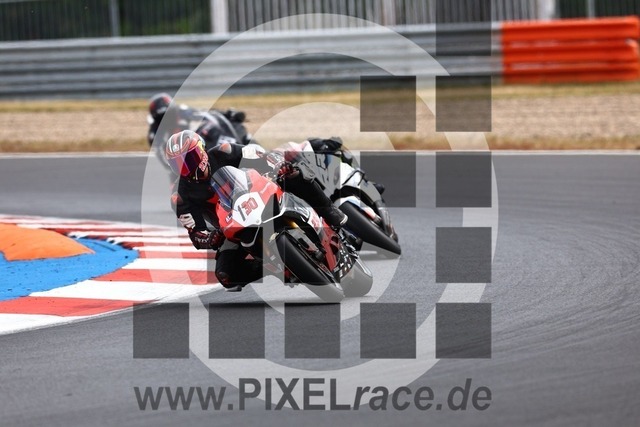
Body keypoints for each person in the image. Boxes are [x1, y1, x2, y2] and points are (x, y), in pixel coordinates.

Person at [164, 130, 348, 292]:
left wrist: (278, 165)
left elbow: (260, 155)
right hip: (231, 227)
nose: (185, 166)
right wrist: (210, 238)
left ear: (202, 151)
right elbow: (196, 233)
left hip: (259, 192)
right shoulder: (180, 196)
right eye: (177, 164)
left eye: (189, 158)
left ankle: (329, 210)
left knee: (293, 174)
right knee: (226, 275)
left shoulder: (224, 151)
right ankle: (275, 266)